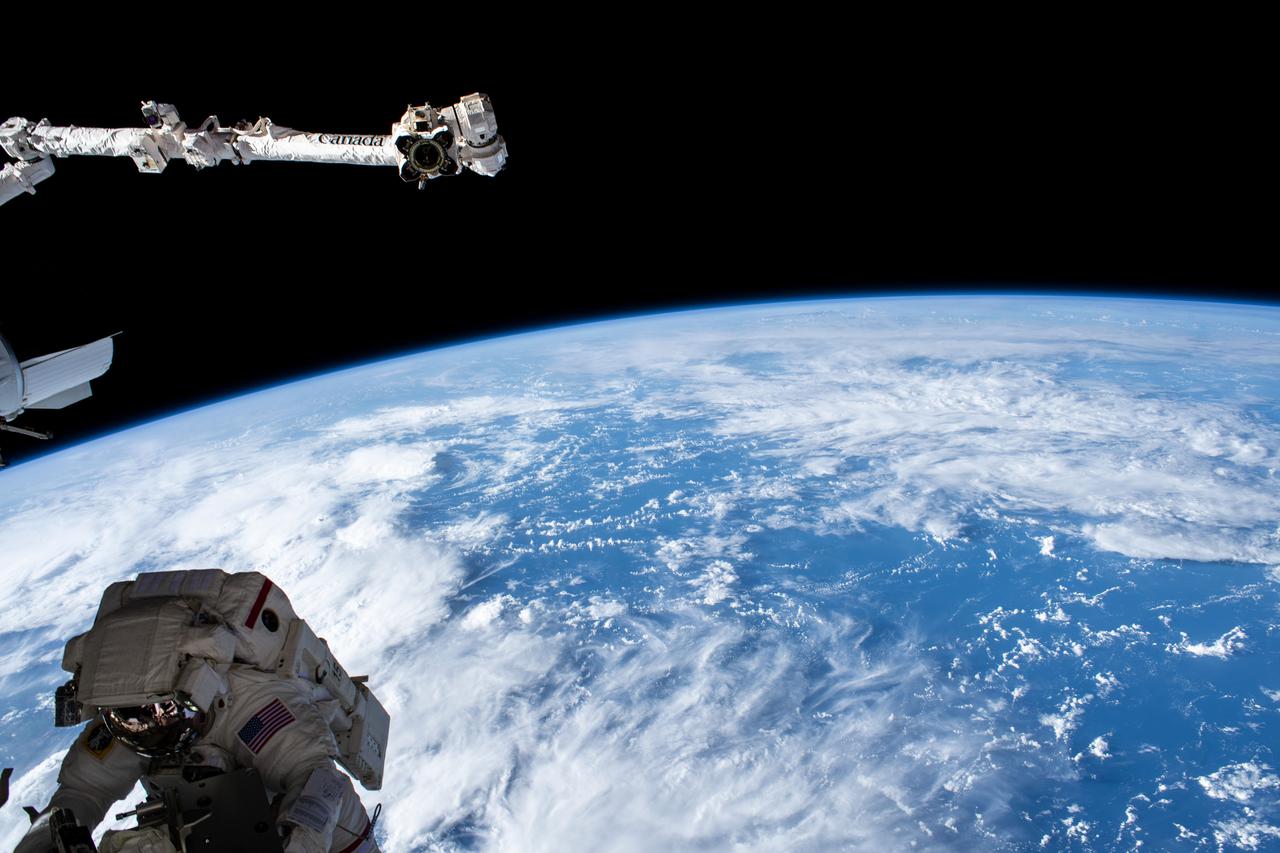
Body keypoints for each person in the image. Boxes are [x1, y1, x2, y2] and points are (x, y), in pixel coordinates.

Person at [15, 570, 385, 853]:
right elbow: (81, 792)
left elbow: (319, 780)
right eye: (131, 718)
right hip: (204, 818)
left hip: (322, 825)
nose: (145, 726)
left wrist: (297, 842)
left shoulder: (254, 708)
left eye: (160, 714)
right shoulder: (126, 715)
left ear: (198, 689)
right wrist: (42, 844)